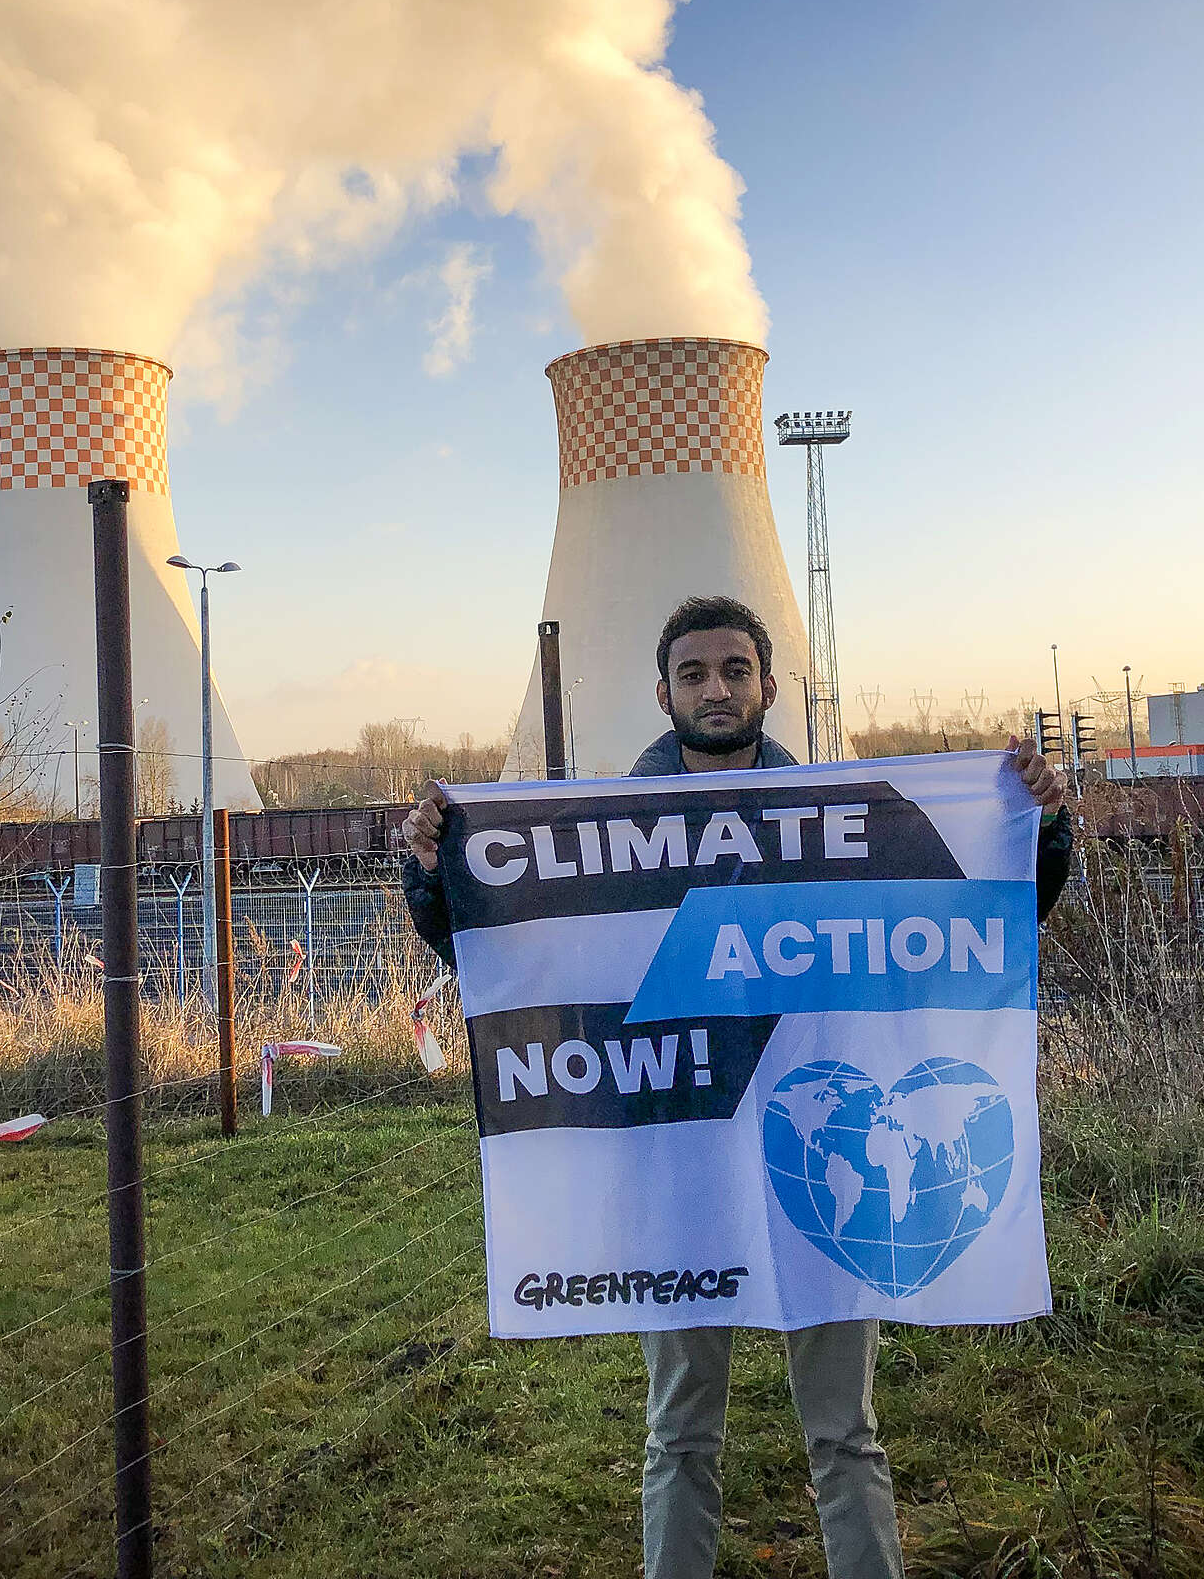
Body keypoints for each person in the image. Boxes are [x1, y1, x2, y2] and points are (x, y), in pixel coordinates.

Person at [400, 594, 1071, 1579]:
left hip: (826, 1155)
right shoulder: (601, 831)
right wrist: (434, 870)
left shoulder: (841, 820)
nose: (715, 689)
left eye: (733, 670)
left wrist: (1035, 827)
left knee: (845, 1432)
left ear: (767, 685)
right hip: (682, 1159)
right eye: (694, 674)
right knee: (679, 1433)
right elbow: (511, 950)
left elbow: (974, 917)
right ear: (663, 693)